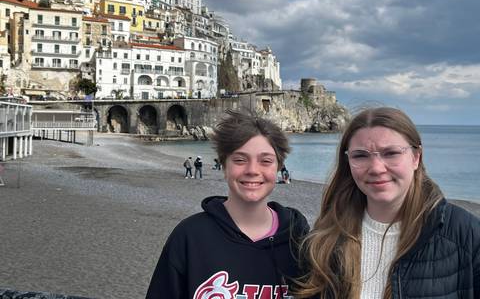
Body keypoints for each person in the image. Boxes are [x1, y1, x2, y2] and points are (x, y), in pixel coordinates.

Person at [294, 107, 480, 299]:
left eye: (391, 153)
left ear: (416, 157)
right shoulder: (324, 241)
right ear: (348, 162)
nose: (376, 168)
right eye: (360, 155)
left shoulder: (465, 234)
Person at [146, 109, 309, 298]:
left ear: (278, 168)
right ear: (224, 167)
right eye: (240, 160)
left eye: (266, 161)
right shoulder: (190, 236)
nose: (252, 170)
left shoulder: (299, 239)